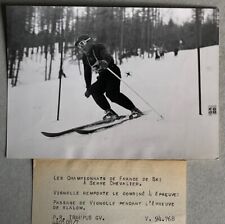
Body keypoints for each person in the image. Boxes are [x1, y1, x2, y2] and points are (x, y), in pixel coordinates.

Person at [75, 34, 143, 120]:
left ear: (89, 42)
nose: (81, 47)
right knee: (94, 90)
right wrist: (88, 87)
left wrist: (105, 61)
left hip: (112, 72)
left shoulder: (98, 47)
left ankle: (134, 110)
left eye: (82, 44)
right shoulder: (85, 57)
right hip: (103, 76)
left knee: (112, 95)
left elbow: (108, 56)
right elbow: (87, 72)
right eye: (79, 46)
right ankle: (109, 112)